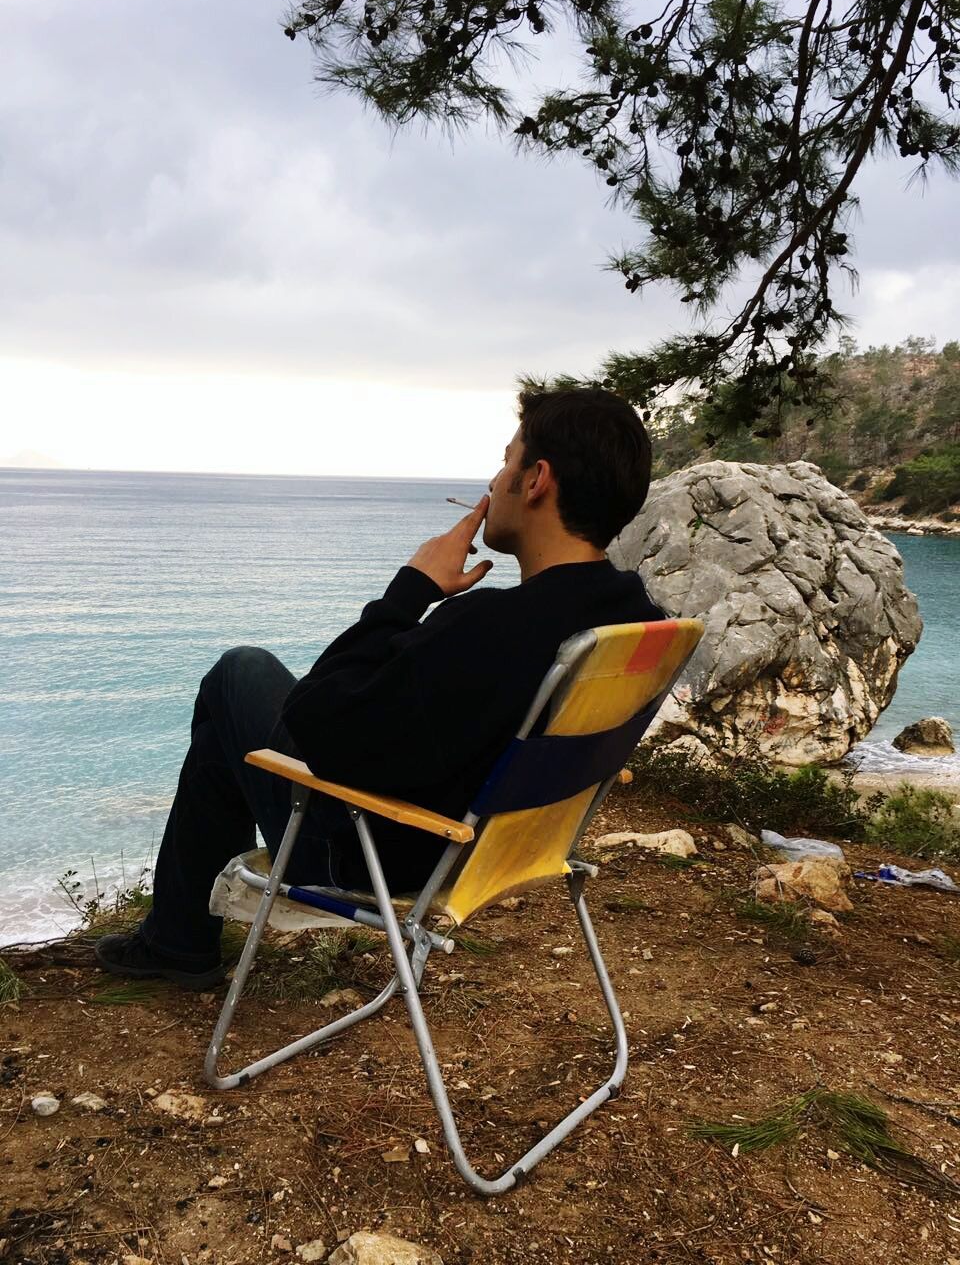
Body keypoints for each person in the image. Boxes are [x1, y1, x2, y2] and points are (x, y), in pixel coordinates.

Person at [95, 386, 665, 989]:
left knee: (239, 672)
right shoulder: (636, 618)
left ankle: (178, 943)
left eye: (505, 461)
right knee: (226, 734)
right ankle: (176, 940)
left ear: (535, 481)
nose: (494, 481)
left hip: (380, 853)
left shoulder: (489, 628)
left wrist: (411, 589)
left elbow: (315, 721)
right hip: (508, 849)